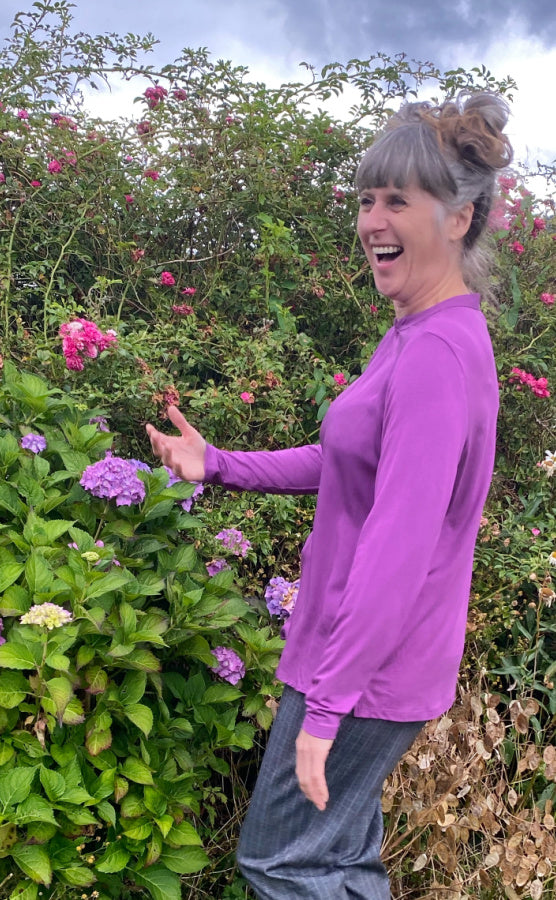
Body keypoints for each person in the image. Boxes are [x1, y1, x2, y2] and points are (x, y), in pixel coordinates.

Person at [146, 91, 513, 899]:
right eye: (365, 200)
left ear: (459, 217)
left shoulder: (435, 356)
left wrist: (326, 708)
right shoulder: (417, 333)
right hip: (362, 662)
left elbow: (400, 546)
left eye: (398, 201)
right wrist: (221, 465)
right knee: (337, 861)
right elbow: (346, 457)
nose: (372, 221)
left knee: (283, 861)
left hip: (364, 672)